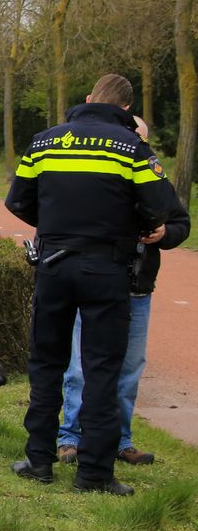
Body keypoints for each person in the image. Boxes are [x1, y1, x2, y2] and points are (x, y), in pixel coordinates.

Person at [5, 73, 174, 496]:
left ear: (87, 99)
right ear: (127, 111)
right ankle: (94, 474)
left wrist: (58, 228)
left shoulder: (44, 142)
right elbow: (160, 206)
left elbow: (17, 201)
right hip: (106, 270)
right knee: (101, 369)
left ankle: (39, 461)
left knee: (46, 365)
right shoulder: (132, 147)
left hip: (54, 265)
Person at [56, 117, 190, 467]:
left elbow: (180, 222)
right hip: (99, 282)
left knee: (130, 367)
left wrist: (164, 234)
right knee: (81, 366)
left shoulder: (154, 179)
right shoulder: (100, 179)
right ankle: (70, 436)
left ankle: (120, 439)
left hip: (137, 288)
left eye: (140, 140)